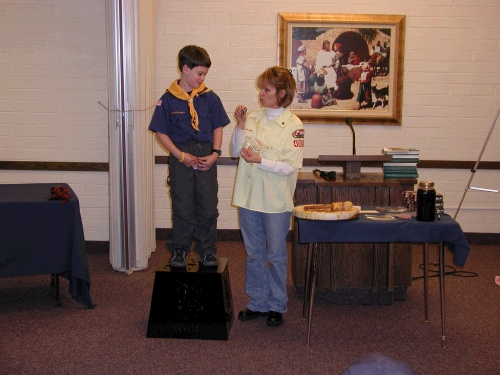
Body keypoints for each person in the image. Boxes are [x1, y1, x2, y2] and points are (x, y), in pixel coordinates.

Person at [230, 66, 305, 327]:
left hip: (274, 200)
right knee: (254, 253)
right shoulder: (252, 117)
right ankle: (257, 302)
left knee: (275, 254)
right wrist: (240, 126)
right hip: (249, 196)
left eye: (266, 89)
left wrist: (260, 160)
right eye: (261, 89)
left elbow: (290, 167)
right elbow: (234, 150)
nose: (261, 93)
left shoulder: (294, 126)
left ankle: (276, 304)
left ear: (281, 94)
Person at [148, 45, 230, 268]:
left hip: (206, 154)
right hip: (180, 156)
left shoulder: (210, 98)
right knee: (182, 204)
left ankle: (207, 250)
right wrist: (180, 155)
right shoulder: (168, 99)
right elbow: (161, 132)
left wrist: (215, 153)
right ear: (185, 69)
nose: (202, 79)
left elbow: (218, 127)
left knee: (208, 203)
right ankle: (180, 249)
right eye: (199, 74)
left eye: (204, 74)